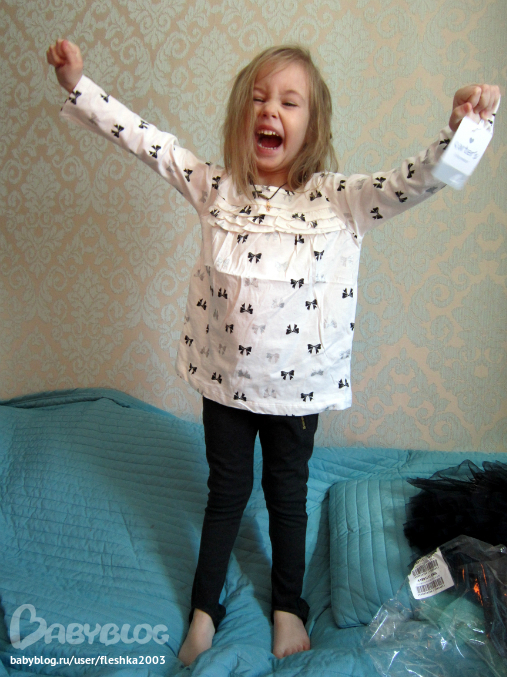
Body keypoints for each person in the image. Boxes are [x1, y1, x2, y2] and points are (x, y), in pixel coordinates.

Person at [46, 38, 500, 665]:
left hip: (297, 392)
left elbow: (414, 181)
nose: (271, 110)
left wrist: (463, 130)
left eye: (289, 102)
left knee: (288, 496)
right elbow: (149, 143)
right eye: (259, 98)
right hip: (225, 385)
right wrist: (78, 84)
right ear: (243, 115)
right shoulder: (215, 187)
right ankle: (205, 608)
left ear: (312, 125)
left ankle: (289, 605)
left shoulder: (341, 200)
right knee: (225, 494)